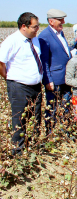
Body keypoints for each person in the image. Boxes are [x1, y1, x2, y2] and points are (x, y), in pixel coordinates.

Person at [0, 12, 43, 155]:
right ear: (24, 26)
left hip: (36, 86)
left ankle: (32, 146)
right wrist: (10, 77)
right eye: (35, 27)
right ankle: (17, 151)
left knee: (35, 117)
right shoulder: (12, 41)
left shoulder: (34, 40)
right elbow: (1, 62)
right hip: (19, 86)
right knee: (19, 119)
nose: (37, 29)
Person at [38, 9, 72, 134]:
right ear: (51, 21)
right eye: (60, 20)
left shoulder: (60, 33)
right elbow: (44, 61)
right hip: (55, 80)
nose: (63, 22)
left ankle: (65, 132)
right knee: (52, 108)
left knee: (66, 107)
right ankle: (50, 133)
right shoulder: (44, 36)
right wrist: (48, 80)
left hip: (65, 78)